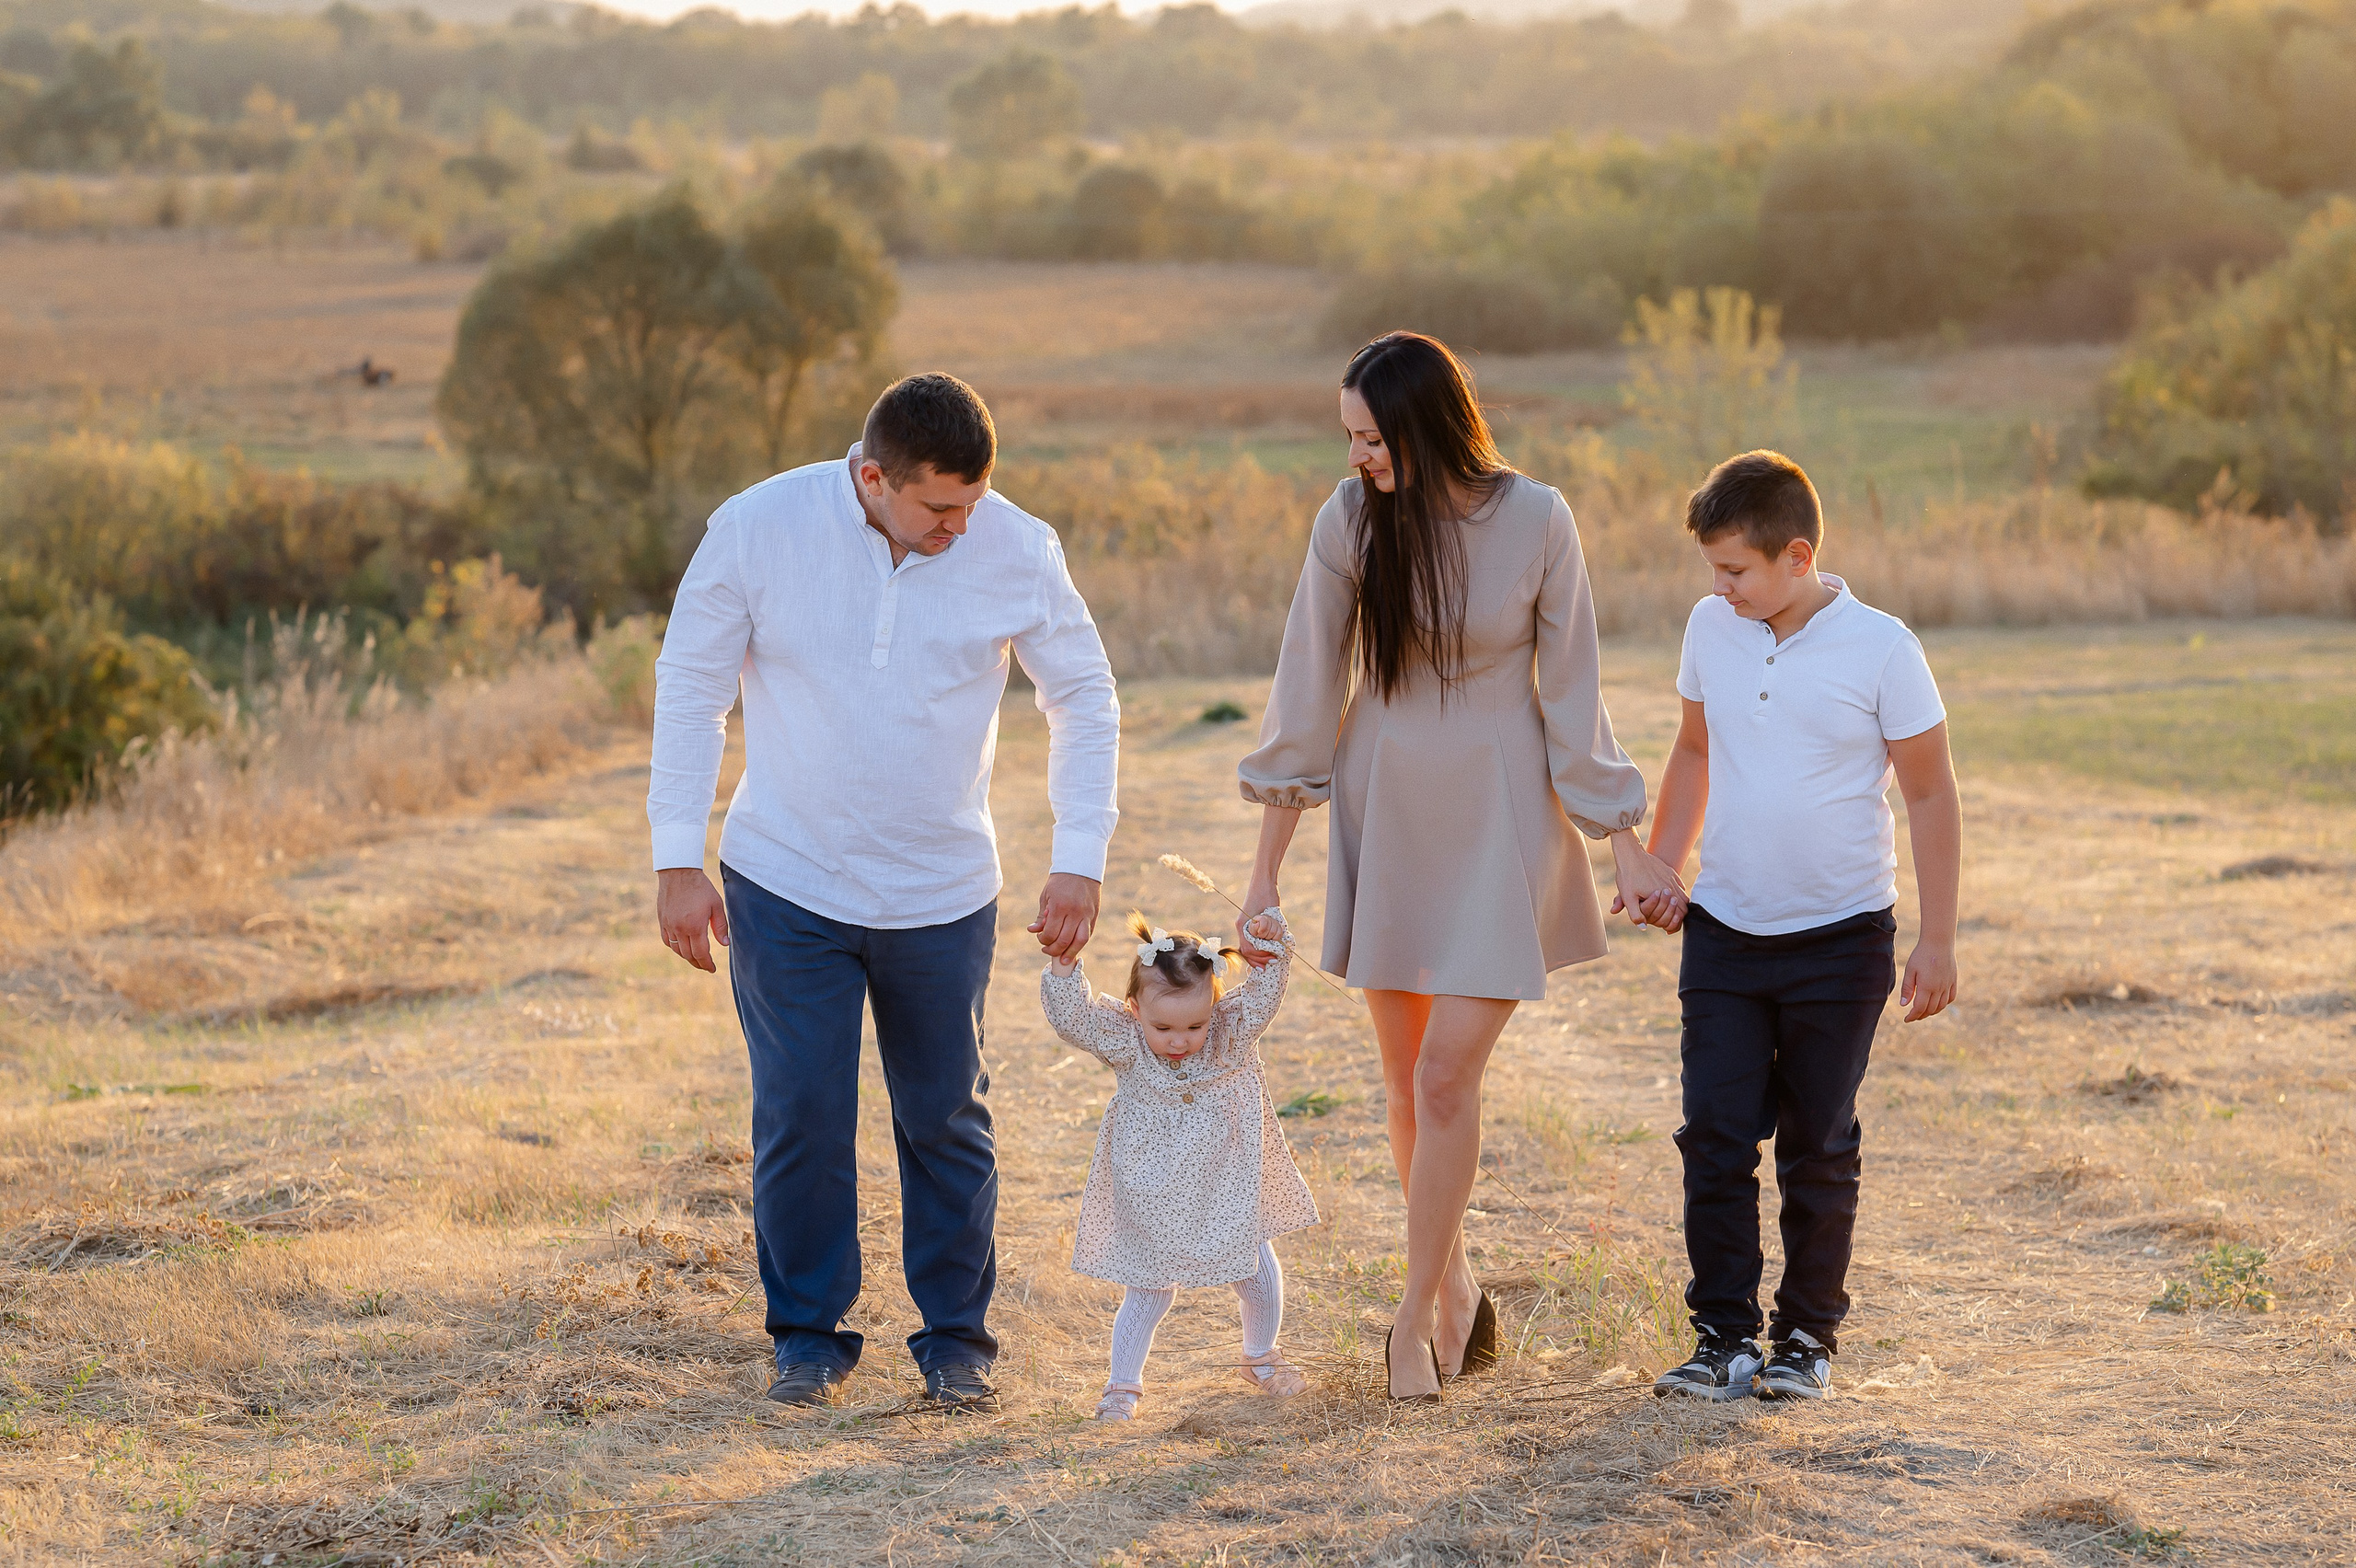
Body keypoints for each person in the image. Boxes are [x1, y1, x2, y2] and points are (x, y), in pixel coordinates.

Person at [648, 373, 1120, 1412]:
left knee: (946, 1117)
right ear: (873, 476)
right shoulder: (757, 527)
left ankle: (956, 1342)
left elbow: (1083, 694)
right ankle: (809, 1340)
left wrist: (1078, 852)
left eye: (973, 503)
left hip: (942, 889)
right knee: (803, 1113)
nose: (962, 525)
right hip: (786, 877)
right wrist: (676, 856)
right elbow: (690, 685)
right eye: (939, 507)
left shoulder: (1016, 546)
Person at [1235, 331, 1688, 1401]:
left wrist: (1622, 833)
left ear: (1427, 427)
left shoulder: (1537, 518)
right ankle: (1457, 1294)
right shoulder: (1349, 520)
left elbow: (1574, 690)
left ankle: (1408, 1322)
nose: (1357, 458)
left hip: (1500, 807)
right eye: (1347, 438)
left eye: (1371, 438)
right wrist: (1264, 872)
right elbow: (1306, 690)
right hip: (1384, 797)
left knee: (1447, 1073)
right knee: (1402, 1081)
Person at [1643, 449, 1960, 1402]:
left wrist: (1935, 937)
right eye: (1712, 569)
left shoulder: (1883, 647)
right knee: (1714, 1134)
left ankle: (1806, 1338)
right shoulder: (1712, 626)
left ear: (1797, 555)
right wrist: (1662, 864)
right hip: (1725, 932)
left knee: (1817, 1143)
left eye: (1734, 569)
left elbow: (1932, 794)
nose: (1719, 587)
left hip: (1841, 938)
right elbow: (1693, 749)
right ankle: (1723, 1338)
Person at [1041, 909, 1318, 1421]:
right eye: (1163, 1025)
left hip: (1227, 1181)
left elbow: (1265, 993)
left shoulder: (1231, 1036)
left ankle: (1259, 1357)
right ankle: (1122, 1388)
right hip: (1152, 1190)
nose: (1179, 1040)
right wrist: (1064, 970)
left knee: (1255, 1267)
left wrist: (1273, 947)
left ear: (1216, 1007)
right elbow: (1075, 1021)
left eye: (1195, 1024)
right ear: (1133, 1010)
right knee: (1148, 1287)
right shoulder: (1126, 1041)